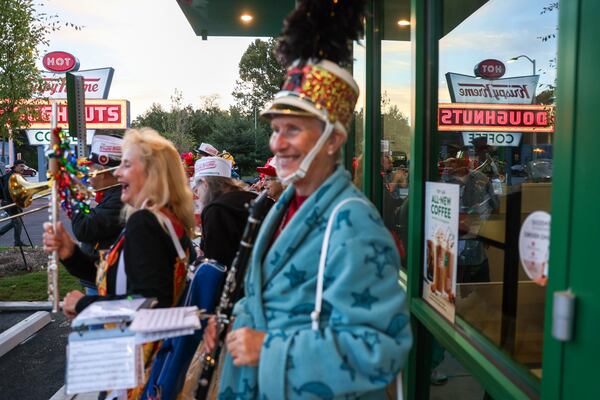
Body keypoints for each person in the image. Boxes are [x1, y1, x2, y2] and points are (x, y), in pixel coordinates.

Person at [204, 2, 412, 398]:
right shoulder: (282, 206)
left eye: (293, 129)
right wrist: (233, 321)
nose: (276, 143)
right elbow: (267, 298)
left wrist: (267, 349)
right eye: (276, 129)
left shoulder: (355, 225)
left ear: (334, 139)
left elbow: (380, 351)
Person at [43, 127, 196, 315]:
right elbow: (118, 279)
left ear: (152, 174)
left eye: (126, 165)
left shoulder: (145, 222)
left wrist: (84, 304)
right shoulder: (162, 217)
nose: (116, 174)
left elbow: (147, 302)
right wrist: (71, 253)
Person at [70, 134, 125, 296]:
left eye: (91, 167)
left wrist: (77, 198)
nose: (88, 171)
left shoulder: (119, 198)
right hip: (99, 273)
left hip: (105, 277)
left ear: (103, 172)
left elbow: (83, 229)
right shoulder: (111, 195)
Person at [193, 156, 266, 268]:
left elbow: (214, 263)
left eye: (196, 188)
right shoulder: (255, 199)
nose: (197, 194)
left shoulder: (216, 210)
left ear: (205, 183)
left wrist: (199, 257)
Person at [0, 160, 26, 246]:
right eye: (21, 166)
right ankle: (17, 242)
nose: (23, 168)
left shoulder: (15, 175)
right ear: (15, 166)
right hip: (9, 202)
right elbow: (7, 191)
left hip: (12, 202)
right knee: (17, 222)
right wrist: (14, 205)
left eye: (23, 166)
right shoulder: (11, 177)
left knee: (16, 221)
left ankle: (2, 233)